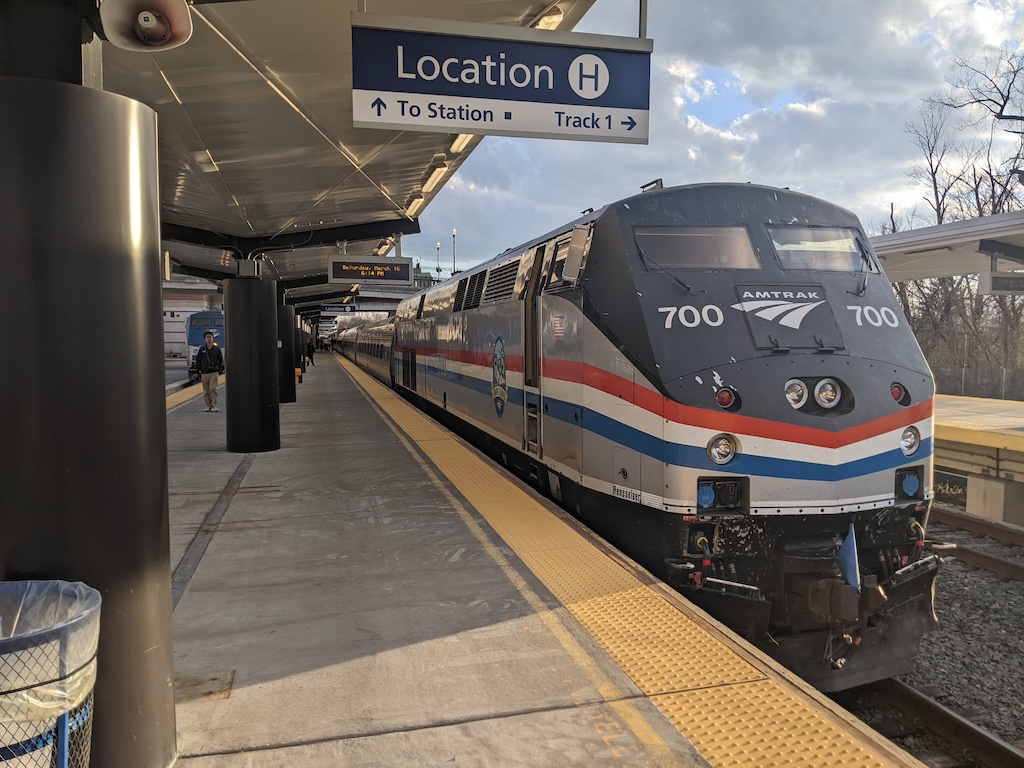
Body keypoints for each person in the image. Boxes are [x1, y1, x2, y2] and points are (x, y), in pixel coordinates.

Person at [195, 331, 225, 412]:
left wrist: (220, 370)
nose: (209, 339)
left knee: (213, 388)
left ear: (213, 338)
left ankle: (214, 404)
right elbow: (198, 361)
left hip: (214, 372)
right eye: (207, 337)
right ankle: (209, 406)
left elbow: (220, 360)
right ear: (205, 339)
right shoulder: (202, 350)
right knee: (206, 390)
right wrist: (197, 372)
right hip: (204, 372)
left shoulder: (217, 349)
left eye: (210, 337)